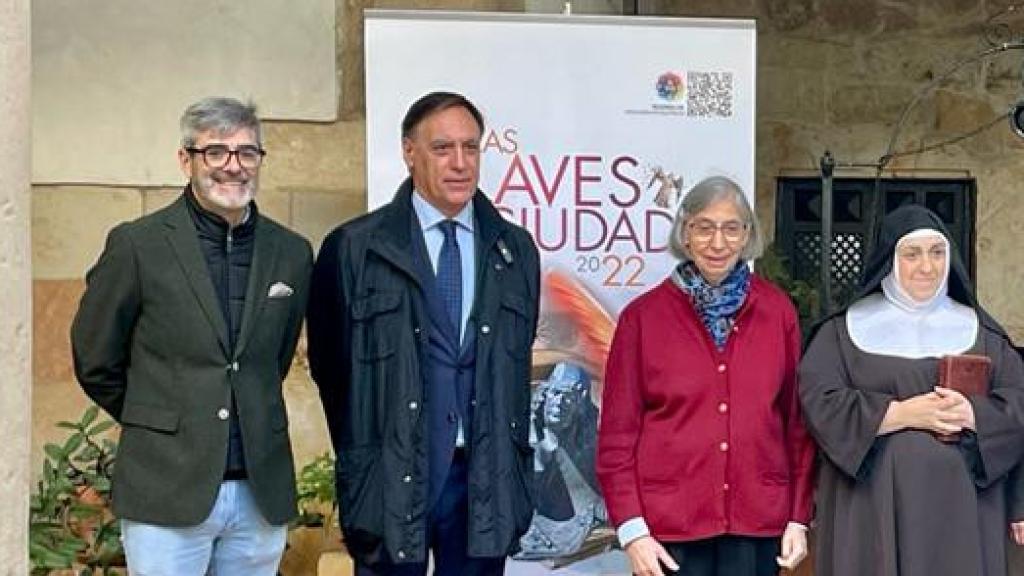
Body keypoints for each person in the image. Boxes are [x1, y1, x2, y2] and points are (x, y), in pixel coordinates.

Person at [70, 97, 312, 575]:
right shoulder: (137, 245)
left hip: (258, 493)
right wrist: (162, 419)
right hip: (166, 487)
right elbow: (95, 358)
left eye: (247, 153)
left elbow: (272, 361)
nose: (233, 167)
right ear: (186, 159)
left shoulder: (291, 252)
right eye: (216, 152)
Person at [306, 91, 540, 575]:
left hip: (484, 483)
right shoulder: (354, 248)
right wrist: (366, 453)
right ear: (409, 152)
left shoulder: (515, 250)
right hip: (391, 479)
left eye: (471, 148)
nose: (460, 164)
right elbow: (332, 372)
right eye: (442, 149)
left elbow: (511, 367)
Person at [597, 176, 815, 576]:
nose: (718, 243)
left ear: (748, 234)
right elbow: (616, 436)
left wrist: (799, 517)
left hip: (757, 523)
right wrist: (632, 530)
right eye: (704, 227)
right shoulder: (642, 319)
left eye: (732, 228)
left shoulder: (777, 312)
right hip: (668, 529)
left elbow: (796, 425)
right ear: (685, 231)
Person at [799, 204, 1024, 576]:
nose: (927, 267)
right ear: (890, 259)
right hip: (871, 511)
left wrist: (975, 415)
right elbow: (819, 401)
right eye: (912, 254)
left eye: (937, 253)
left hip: (963, 515)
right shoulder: (841, 333)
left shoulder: (981, 334)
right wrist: (899, 414)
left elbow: (1018, 402)